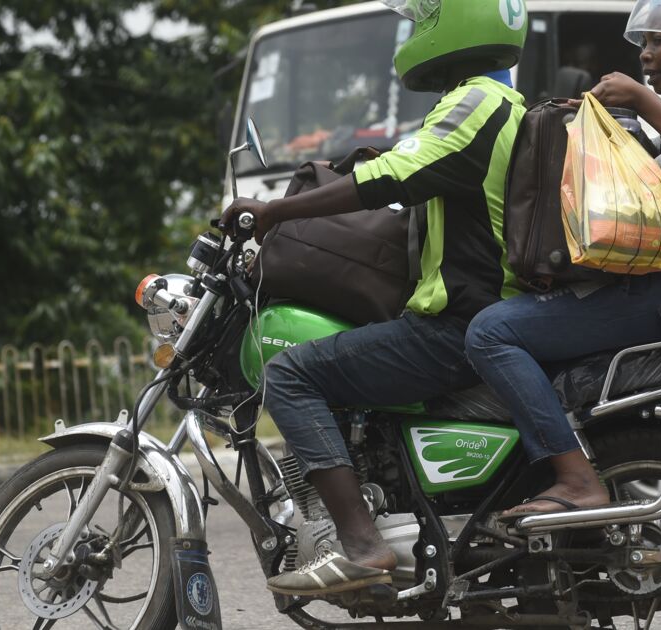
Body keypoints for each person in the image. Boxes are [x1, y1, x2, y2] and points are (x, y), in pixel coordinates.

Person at [219, 0, 529, 597]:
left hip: (460, 325)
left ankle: (361, 546)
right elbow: (407, 178)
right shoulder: (502, 101)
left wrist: (274, 211)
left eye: (422, 16)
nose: (412, 29)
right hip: (486, 315)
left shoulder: (477, 102)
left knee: (290, 377)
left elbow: (390, 176)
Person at [464, 0, 661, 519]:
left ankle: (575, 480)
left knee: (491, 333)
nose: (646, 55)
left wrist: (642, 102)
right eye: (643, 44)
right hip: (660, 288)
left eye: (660, 41)